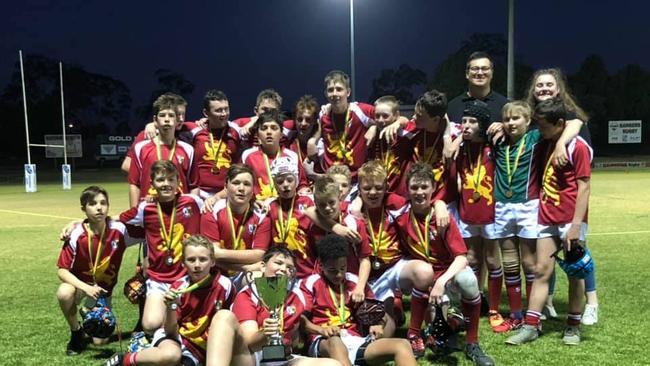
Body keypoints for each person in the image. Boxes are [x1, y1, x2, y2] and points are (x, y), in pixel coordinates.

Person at [506, 97, 592, 346]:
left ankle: (573, 326)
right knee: (541, 270)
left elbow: (584, 186)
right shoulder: (546, 144)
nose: (540, 132)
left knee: (576, 273)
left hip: (570, 219)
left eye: (544, 127)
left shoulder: (578, 146)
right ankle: (531, 325)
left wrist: (576, 225)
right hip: (546, 217)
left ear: (560, 124)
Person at [394, 162, 494, 366]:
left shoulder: (442, 218)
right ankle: (415, 336)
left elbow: (462, 257)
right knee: (435, 321)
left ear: (433, 188)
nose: (419, 192)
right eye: (414, 187)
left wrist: (441, 282)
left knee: (468, 280)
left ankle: (472, 343)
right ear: (407, 189)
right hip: (419, 277)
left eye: (424, 187)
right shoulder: (401, 216)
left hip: (445, 278)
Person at [525, 68, 599, 324]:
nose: (543, 89)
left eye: (549, 85)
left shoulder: (571, 124)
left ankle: (589, 306)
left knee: (577, 263)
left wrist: (559, 143)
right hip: (547, 209)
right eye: (539, 85)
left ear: (559, 89)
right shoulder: (536, 122)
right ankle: (541, 310)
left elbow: (577, 123)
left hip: (568, 210)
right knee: (543, 267)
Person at [103, 235, 235, 366]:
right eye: (191, 260)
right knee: (171, 356)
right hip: (175, 336)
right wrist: (171, 306)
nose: (197, 265)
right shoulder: (179, 288)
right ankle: (125, 360)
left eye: (203, 259)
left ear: (212, 261)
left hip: (199, 346)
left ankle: (148, 353)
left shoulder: (226, 286)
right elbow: (170, 331)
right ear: (183, 262)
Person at [301, 234, 417, 366]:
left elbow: (378, 313)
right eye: (332, 270)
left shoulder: (355, 282)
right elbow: (301, 321)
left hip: (354, 340)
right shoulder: (310, 283)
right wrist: (321, 330)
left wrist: (378, 324)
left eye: (342, 268)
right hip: (324, 341)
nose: (339, 274)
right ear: (321, 265)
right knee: (335, 342)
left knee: (402, 345)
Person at [120, 160, 204, 334]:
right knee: (150, 325)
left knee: (188, 323)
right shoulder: (146, 208)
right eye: (160, 180)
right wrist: (81, 222)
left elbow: (216, 210)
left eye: (170, 179)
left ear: (178, 182)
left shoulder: (194, 202)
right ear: (152, 185)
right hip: (159, 279)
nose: (166, 184)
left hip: (187, 277)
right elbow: (118, 220)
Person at [224, 246, 340, 366]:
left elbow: (299, 321)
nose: (283, 269)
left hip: (284, 359)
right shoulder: (247, 295)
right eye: (278, 263)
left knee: (332, 364)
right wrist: (265, 334)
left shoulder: (296, 296)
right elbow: (249, 343)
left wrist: (321, 329)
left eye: (289, 267)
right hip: (254, 358)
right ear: (263, 266)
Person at [56, 186, 138, 355]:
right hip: (81, 287)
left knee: (100, 341)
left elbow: (150, 230)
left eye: (103, 203)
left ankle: (90, 310)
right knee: (64, 293)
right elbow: (62, 271)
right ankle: (76, 332)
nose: (99, 207)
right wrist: (86, 288)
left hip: (102, 293)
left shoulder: (119, 230)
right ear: (84, 209)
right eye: (92, 204)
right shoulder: (76, 234)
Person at [452, 101, 504, 331]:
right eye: (464, 121)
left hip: (491, 212)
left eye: (472, 122)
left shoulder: (494, 146)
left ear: (482, 125)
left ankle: (494, 309)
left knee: (492, 260)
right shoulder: (461, 148)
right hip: (468, 212)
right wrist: (455, 139)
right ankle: (472, 304)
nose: (466, 126)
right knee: (471, 259)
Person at [200, 164, 271, 281]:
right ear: (226, 187)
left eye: (247, 184)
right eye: (236, 183)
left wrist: (220, 254)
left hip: (245, 274)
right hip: (216, 273)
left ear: (253, 190)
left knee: (262, 277)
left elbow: (259, 254)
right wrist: (247, 266)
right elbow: (212, 255)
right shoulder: (211, 210)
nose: (241, 188)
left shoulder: (262, 214)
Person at [127, 93, 199, 207]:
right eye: (162, 115)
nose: (166, 120)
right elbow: (134, 184)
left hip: (178, 210)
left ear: (177, 120)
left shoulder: (188, 150)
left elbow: (194, 185)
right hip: (150, 208)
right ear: (155, 120)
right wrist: (134, 211)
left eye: (171, 115)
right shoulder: (141, 148)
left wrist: (191, 209)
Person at [266, 156, 317, 279]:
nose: (285, 185)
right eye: (280, 181)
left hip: (307, 273)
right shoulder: (270, 206)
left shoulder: (308, 203)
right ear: (274, 184)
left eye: (290, 180)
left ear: (297, 180)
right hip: (278, 273)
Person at [241, 110, 309, 202]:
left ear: (281, 134)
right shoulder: (248, 156)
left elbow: (302, 184)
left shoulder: (291, 156)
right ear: (257, 135)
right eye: (264, 128)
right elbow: (242, 184)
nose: (269, 132)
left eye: (274, 128)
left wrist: (304, 191)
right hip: (258, 207)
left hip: (285, 207)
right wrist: (253, 201)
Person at [121, 93, 193, 174]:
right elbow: (126, 165)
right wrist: (155, 177)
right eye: (178, 114)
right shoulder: (148, 134)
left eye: (183, 114)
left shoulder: (187, 130)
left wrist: (204, 121)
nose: (181, 119)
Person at [192, 90, 242, 201]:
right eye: (219, 110)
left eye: (226, 109)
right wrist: (152, 125)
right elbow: (171, 125)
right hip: (200, 193)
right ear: (206, 113)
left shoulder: (236, 131)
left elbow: (259, 118)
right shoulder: (195, 131)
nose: (224, 114)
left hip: (227, 193)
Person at [447, 52, 508, 124]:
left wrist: (504, 128)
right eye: (475, 69)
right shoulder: (452, 107)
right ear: (467, 74)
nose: (480, 73)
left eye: (485, 68)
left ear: (492, 73)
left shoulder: (504, 106)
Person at [286, 95, 322, 182]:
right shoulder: (288, 143)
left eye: (308, 119)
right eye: (299, 119)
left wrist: (313, 175)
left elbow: (333, 179)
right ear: (294, 120)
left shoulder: (322, 144)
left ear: (314, 121)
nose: (303, 123)